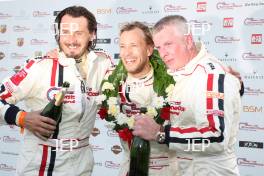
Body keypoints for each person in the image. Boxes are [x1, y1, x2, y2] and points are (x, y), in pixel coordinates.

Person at [0, 6, 113, 176]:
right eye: (65, 32)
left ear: (92, 34)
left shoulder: (103, 63)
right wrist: (21, 117)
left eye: (79, 33)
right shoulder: (40, 66)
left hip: (81, 164)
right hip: (40, 165)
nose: (71, 40)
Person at [132, 15, 241, 176]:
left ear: (188, 41)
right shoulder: (180, 71)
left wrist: (160, 133)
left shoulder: (211, 75)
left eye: (168, 44)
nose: (163, 54)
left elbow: (217, 137)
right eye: (159, 47)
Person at [97, 22, 179, 176]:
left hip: (167, 168)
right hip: (129, 167)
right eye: (122, 46)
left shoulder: (174, 79)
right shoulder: (111, 80)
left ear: (149, 49)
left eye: (133, 45)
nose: (127, 53)